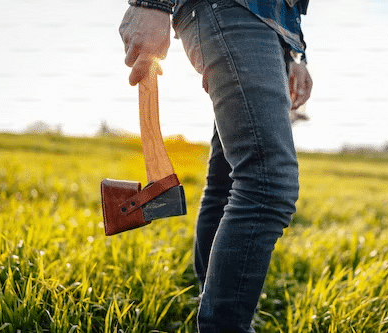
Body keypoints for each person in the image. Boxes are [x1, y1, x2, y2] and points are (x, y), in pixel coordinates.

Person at [119, 0, 312, 331]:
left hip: (273, 25)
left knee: (227, 183)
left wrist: (295, 53)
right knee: (267, 184)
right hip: (230, 7)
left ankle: (210, 305)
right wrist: (151, 4)